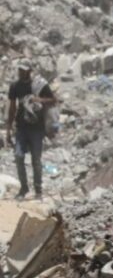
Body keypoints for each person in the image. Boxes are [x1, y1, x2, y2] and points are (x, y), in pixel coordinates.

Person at [6, 61, 56, 200]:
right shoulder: (15, 86)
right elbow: (12, 108)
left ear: (30, 71)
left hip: (37, 128)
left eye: (24, 70)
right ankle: (24, 188)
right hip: (21, 127)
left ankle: (38, 189)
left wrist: (38, 99)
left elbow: (53, 100)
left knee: (36, 160)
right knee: (18, 156)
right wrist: (9, 130)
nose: (21, 72)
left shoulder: (39, 85)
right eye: (20, 70)